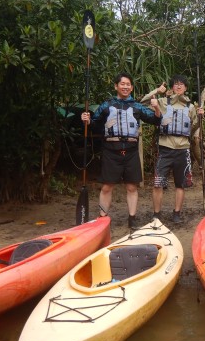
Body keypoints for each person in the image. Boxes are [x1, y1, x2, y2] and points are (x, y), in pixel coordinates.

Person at [81, 72, 162, 230]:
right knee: (107, 187)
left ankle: (132, 219)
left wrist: (157, 108)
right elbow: (95, 123)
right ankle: (102, 219)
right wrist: (87, 120)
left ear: (131, 87)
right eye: (122, 84)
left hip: (131, 151)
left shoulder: (137, 106)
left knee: (132, 187)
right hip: (111, 150)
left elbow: (155, 120)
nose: (125, 87)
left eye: (128, 84)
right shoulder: (106, 105)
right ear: (116, 86)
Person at [140, 75, 198, 224]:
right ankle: (156, 214)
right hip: (165, 148)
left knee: (180, 184)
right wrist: (157, 91)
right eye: (176, 84)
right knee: (158, 182)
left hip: (183, 149)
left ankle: (177, 212)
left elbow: (196, 125)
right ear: (172, 87)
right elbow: (143, 102)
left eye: (181, 84)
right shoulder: (163, 102)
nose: (178, 87)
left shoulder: (190, 107)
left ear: (185, 88)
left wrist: (202, 116)